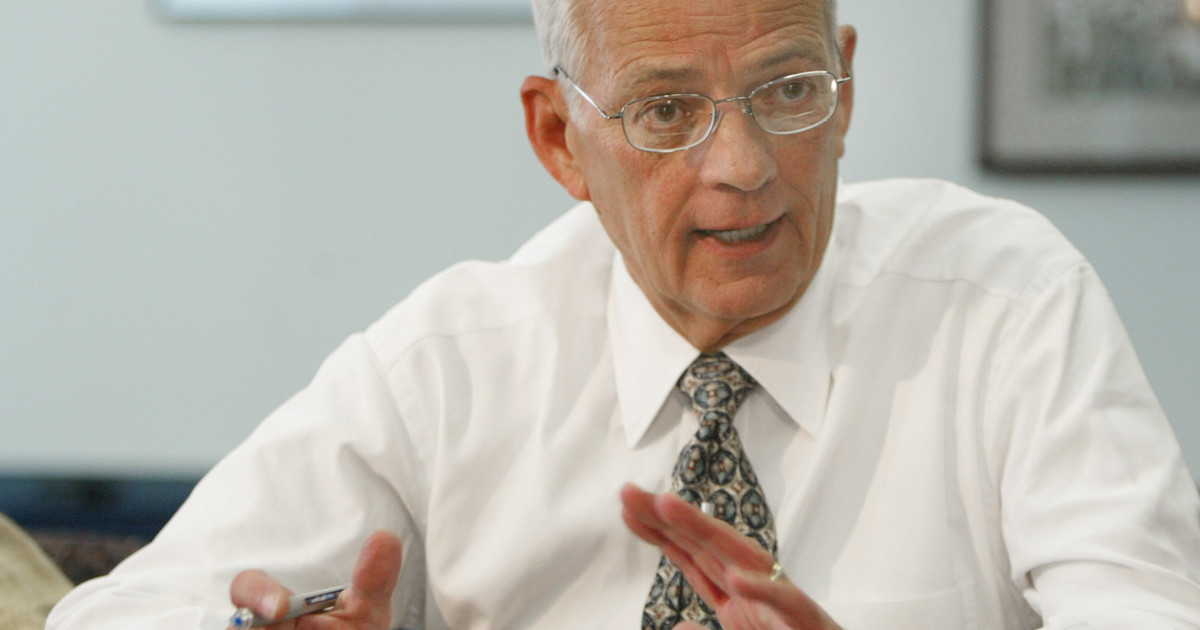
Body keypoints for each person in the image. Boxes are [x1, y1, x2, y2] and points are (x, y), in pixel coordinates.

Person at [47, 0, 1200, 628]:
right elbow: (124, 617)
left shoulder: (1007, 306)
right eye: (666, 111)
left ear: (847, 89)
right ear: (560, 140)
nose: (744, 165)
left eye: (790, 91)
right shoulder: (448, 369)